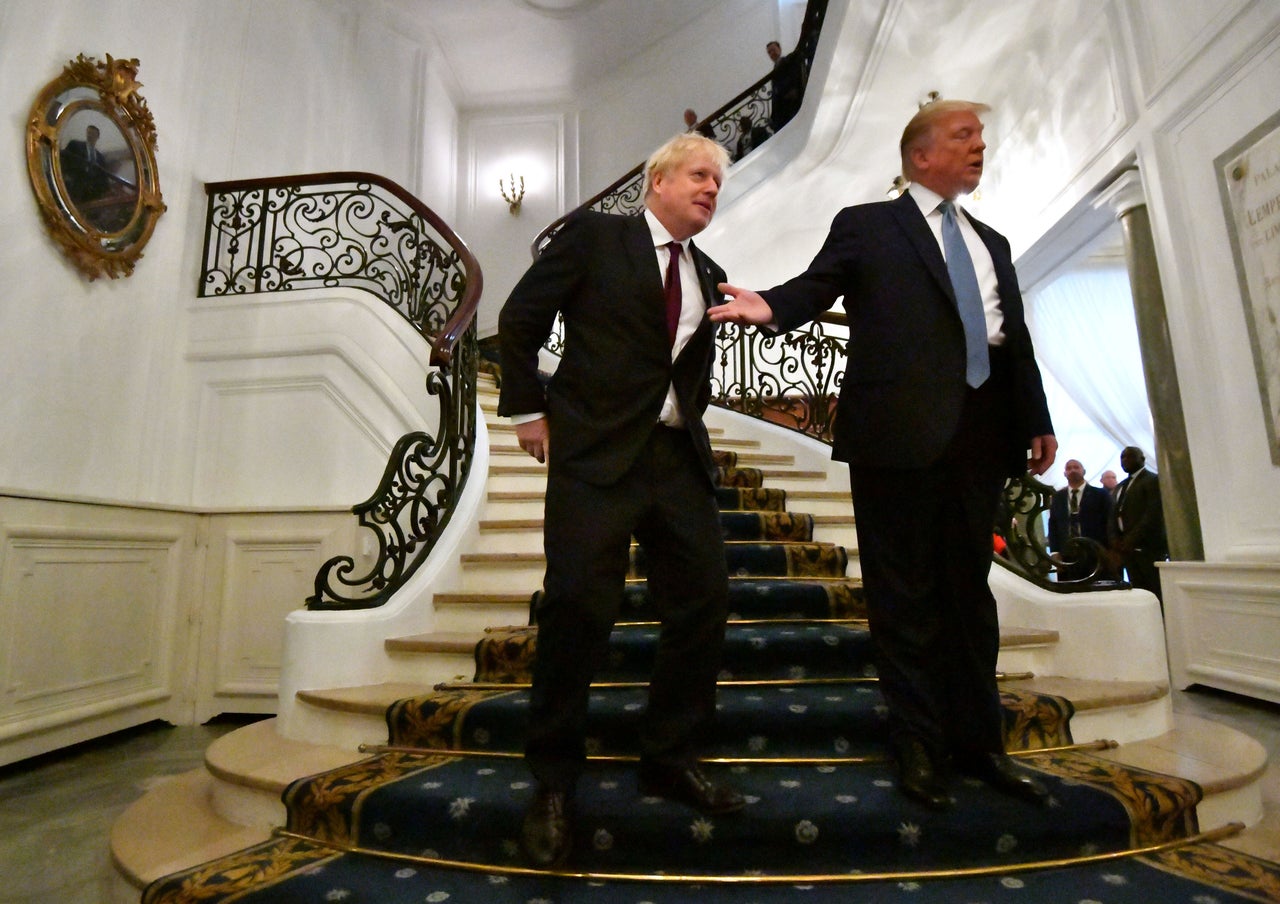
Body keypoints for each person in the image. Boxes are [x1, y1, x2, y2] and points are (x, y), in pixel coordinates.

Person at [709, 99, 1057, 811]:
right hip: (896, 434)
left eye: (981, 137)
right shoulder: (868, 224)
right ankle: (918, 748)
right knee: (904, 599)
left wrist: (1036, 418)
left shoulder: (992, 241)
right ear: (921, 154)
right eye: (965, 136)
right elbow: (816, 286)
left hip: (982, 434)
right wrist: (767, 306)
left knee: (969, 597)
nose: (979, 147)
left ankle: (980, 746)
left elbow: (1010, 336)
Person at [498, 133, 742, 869]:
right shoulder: (596, 237)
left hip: (674, 459)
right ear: (659, 179)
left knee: (703, 602)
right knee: (577, 608)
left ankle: (668, 755)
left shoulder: (711, 272)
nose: (711, 188)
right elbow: (520, 318)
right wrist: (527, 410)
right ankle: (552, 781)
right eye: (700, 175)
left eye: (718, 181)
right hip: (595, 455)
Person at [1109, 446, 1168, 601]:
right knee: (1138, 590)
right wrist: (1115, 539)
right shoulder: (1120, 486)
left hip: (1147, 548)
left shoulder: (1152, 480)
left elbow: (1152, 514)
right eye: (1122, 457)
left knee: (1154, 590)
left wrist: (1131, 539)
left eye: (1129, 456)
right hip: (1126, 550)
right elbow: (1113, 515)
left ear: (1142, 459)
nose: (1125, 460)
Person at [1047, 459, 1112, 581]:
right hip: (1067, 555)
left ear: (1084, 471)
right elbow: (1053, 525)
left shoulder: (1100, 495)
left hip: (1094, 553)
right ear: (1065, 473)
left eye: (1076, 467)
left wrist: (1108, 550)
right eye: (1069, 468)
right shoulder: (1058, 497)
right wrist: (1054, 551)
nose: (1072, 470)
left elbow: (1108, 522)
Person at [59, 123, 110, 203]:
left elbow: (103, 176)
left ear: (97, 137)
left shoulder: (100, 157)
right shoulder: (75, 145)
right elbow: (64, 159)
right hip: (76, 186)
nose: (90, 135)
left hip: (93, 192)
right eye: (88, 133)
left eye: (93, 134)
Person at [766, 40, 804, 132]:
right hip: (781, 109)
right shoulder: (774, 70)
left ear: (779, 49)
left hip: (790, 104)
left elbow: (795, 77)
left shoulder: (788, 62)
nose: (772, 53)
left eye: (773, 50)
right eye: (769, 52)